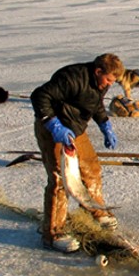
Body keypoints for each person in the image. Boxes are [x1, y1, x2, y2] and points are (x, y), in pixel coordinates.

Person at [31, 53, 124, 253]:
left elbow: (94, 103)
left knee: (91, 170)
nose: (109, 84)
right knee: (60, 180)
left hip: (76, 129)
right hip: (53, 129)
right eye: (108, 79)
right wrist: (54, 125)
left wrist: (105, 124)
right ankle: (53, 234)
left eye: (113, 82)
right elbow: (39, 96)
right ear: (98, 71)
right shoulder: (72, 78)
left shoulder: (100, 83)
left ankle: (96, 211)